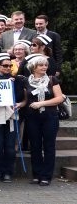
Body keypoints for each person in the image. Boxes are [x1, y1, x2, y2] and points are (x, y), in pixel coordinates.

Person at [24, 55, 64, 186]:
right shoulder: (26, 81)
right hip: (32, 117)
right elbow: (26, 99)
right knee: (35, 146)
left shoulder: (52, 80)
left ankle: (46, 176)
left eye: (45, 65)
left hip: (50, 117)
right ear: (33, 67)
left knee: (48, 146)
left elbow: (59, 98)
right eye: (41, 65)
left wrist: (42, 103)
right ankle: (37, 174)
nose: (44, 67)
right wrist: (19, 104)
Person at [0, 53, 26, 183]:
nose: (8, 68)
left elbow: (24, 99)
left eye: (10, 65)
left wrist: (20, 104)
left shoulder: (17, 80)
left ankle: (8, 172)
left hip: (12, 116)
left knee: (10, 146)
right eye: (5, 65)